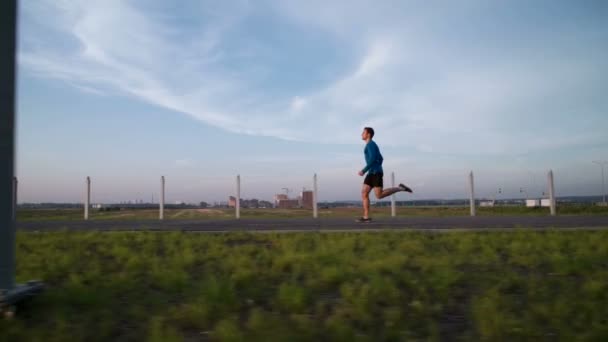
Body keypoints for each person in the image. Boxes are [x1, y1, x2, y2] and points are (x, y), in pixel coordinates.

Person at [357, 127, 412, 222]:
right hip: (371, 173)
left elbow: (373, 159)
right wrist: (375, 166)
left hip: (376, 173)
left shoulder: (371, 145)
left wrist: (364, 170)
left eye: (363, 132)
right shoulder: (370, 145)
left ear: (368, 134)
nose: (361, 134)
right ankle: (366, 217)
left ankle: (400, 188)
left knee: (379, 195)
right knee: (364, 193)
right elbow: (381, 158)